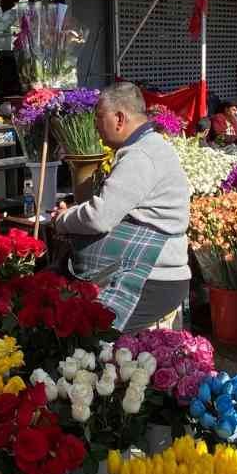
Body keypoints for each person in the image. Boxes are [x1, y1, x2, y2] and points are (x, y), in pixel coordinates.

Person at [53, 82, 191, 330]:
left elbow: (100, 217)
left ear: (119, 118)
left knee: (90, 335)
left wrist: (62, 219)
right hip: (146, 271)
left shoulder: (140, 155)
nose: (95, 125)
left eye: (99, 117)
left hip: (151, 278)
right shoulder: (147, 146)